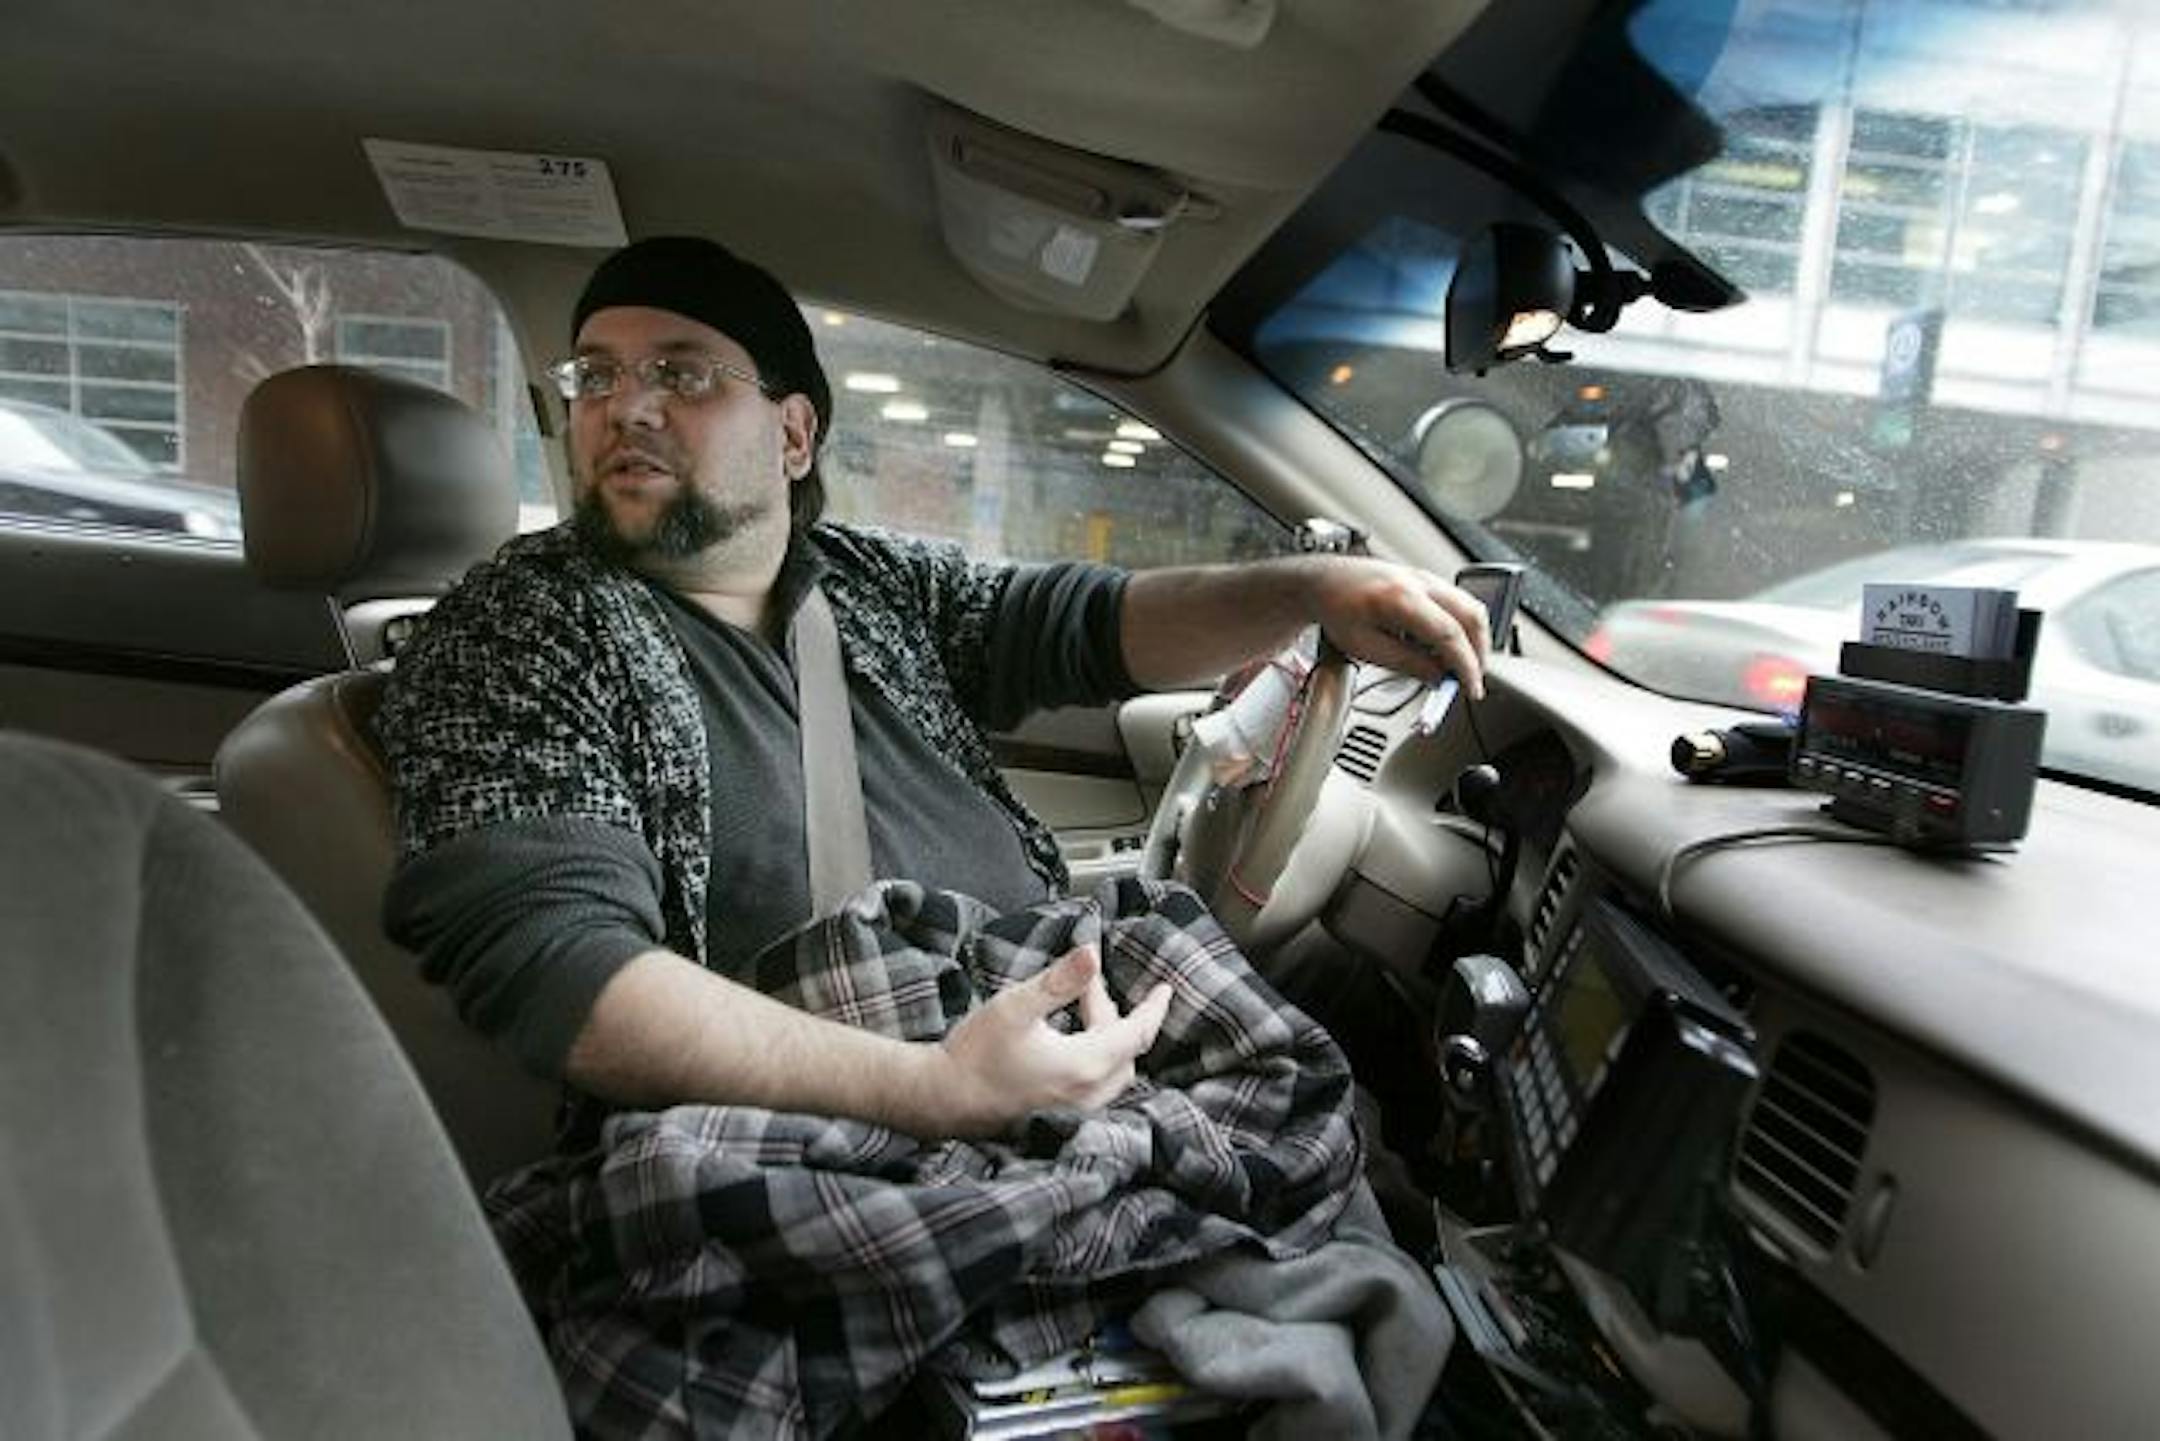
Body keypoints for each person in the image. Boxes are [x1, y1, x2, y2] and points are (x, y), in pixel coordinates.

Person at [377, 235, 1489, 1147]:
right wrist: (941, 1089)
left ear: (795, 433)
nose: (626, 406)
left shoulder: (862, 583)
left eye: (682, 373)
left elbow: (1085, 623)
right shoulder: (519, 630)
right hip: (841, 1130)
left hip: (1025, 1047)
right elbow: (558, 966)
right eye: (597, 376)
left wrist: (1312, 591)